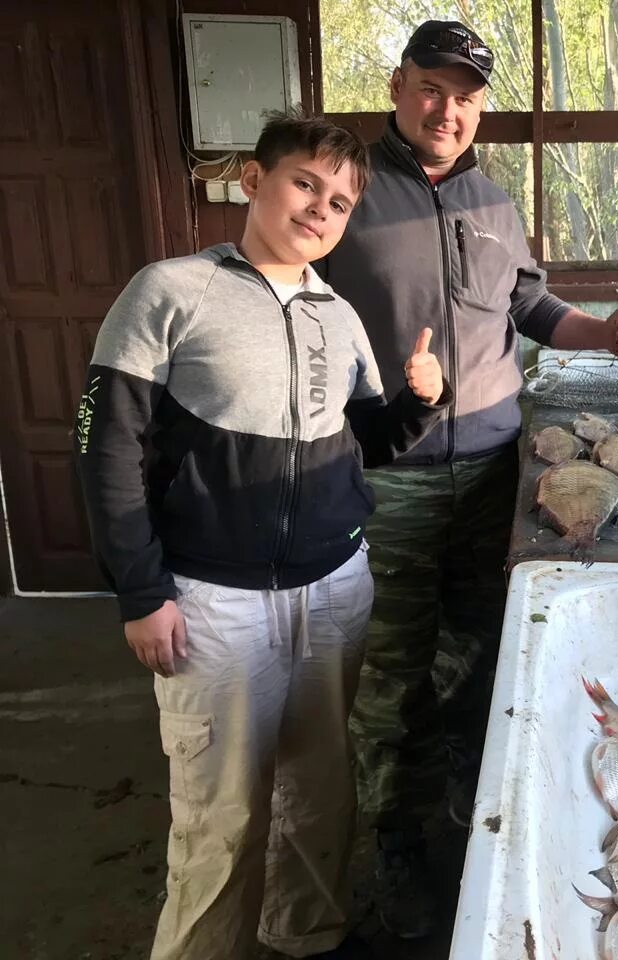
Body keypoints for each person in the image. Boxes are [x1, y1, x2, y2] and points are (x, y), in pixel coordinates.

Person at [74, 113, 450, 960]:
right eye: (305, 184)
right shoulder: (169, 291)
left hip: (333, 591)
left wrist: (422, 401)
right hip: (213, 602)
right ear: (254, 180)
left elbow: (369, 443)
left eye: (341, 201)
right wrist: (141, 592)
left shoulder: (340, 318)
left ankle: (307, 936)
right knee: (221, 814)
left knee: (320, 797)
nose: (321, 209)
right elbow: (106, 449)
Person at [319, 18, 618, 937]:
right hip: (390, 476)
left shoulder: (497, 204)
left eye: (465, 98)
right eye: (432, 87)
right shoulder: (350, 196)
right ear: (398, 86)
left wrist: (604, 338)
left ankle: (470, 821)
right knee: (391, 669)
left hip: (496, 473)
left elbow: (534, 306)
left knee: (477, 652)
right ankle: (396, 838)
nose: (447, 110)